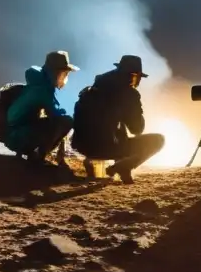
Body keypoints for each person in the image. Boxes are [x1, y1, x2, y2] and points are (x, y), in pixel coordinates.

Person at [71, 55, 165, 183]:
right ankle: (123, 166)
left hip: (83, 147)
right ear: (133, 75)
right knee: (158, 140)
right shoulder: (129, 94)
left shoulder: (93, 89)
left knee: (118, 127)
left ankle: (101, 164)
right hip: (107, 148)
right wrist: (137, 110)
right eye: (137, 77)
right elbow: (137, 129)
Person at [5, 50, 77, 167]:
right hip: (18, 137)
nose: (64, 76)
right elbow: (54, 115)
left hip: (12, 133)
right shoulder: (44, 89)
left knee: (54, 121)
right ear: (55, 72)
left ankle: (30, 154)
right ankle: (39, 158)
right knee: (66, 121)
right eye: (63, 72)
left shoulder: (38, 82)